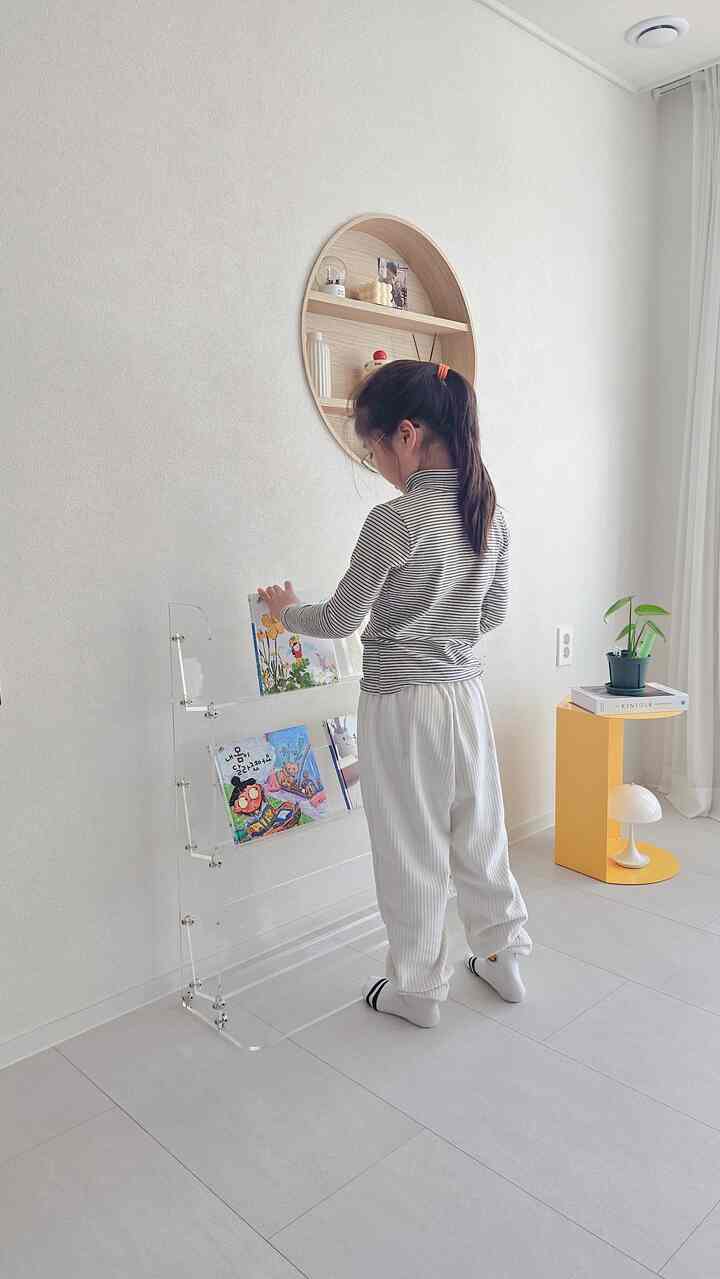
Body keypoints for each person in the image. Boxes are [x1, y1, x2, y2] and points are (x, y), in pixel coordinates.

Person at [259, 359, 531, 1030]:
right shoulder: (487, 514)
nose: (374, 461)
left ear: (406, 435)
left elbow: (338, 622)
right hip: (465, 698)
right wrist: (444, 627)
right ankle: (501, 955)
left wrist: (283, 611)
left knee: (410, 845)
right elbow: (492, 612)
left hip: (402, 703)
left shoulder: (395, 519)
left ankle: (416, 988)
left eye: (372, 447)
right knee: (479, 830)